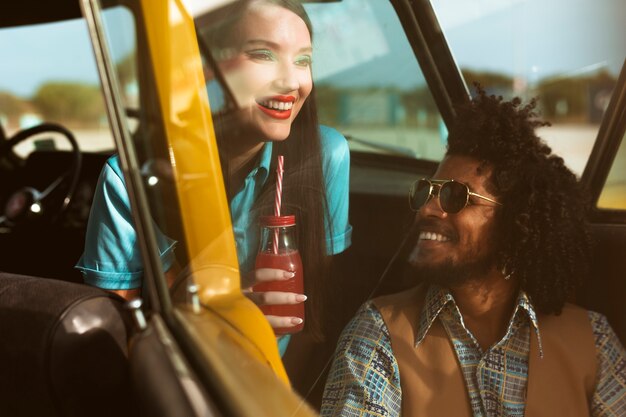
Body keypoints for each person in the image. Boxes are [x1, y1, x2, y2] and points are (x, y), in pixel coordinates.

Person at [321, 87, 626, 416]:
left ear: (515, 221)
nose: (428, 210)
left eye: (455, 197)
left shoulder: (592, 341)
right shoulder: (377, 334)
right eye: (427, 192)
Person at [76, 0, 352, 351]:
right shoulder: (132, 179)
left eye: (303, 60)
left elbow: (318, 313)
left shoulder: (325, 155)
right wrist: (204, 312)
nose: (291, 81)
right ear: (205, 68)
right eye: (263, 55)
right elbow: (112, 336)